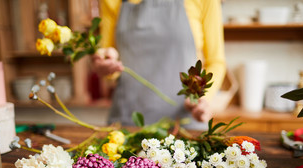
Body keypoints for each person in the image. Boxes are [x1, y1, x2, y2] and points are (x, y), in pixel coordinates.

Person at [91, 0, 226, 129]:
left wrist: (202, 99)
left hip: (185, 124)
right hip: (127, 123)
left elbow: (215, 62)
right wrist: (105, 64)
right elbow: (109, 56)